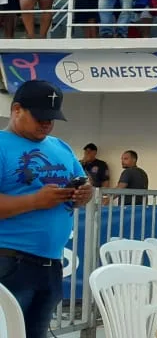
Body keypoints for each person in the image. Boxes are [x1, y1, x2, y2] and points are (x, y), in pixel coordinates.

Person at [0, 80, 93, 338]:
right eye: (40, 116)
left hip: (50, 264)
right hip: (9, 262)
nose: (46, 123)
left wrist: (85, 192)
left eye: (52, 118)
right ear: (17, 110)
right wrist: (34, 201)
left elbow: (85, 181)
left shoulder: (60, 146)